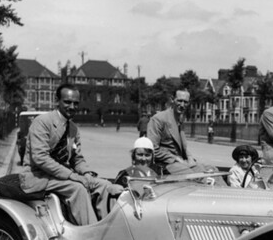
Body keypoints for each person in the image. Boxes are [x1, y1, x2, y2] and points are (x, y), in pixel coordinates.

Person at [18, 84, 122, 226]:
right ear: (57, 101)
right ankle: (90, 234)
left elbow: (77, 158)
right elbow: (40, 158)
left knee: (104, 185)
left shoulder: (73, 128)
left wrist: (86, 174)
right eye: (67, 102)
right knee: (78, 188)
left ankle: (105, 229)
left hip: (59, 176)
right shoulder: (42, 122)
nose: (72, 106)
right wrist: (72, 176)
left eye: (76, 103)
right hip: (38, 176)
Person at [147, 90, 213, 175]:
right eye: (179, 101)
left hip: (180, 162)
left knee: (212, 170)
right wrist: (175, 158)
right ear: (172, 100)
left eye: (185, 102)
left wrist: (189, 157)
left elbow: (182, 147)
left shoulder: (180, 120)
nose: (182, 105)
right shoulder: (158, 119)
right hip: (165, 164)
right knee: (195, 176)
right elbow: (152, 149)